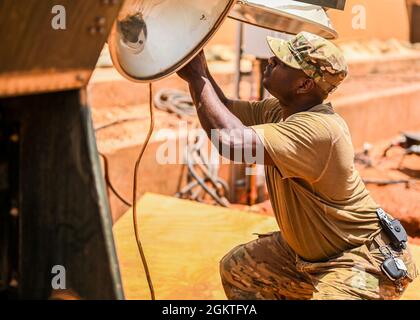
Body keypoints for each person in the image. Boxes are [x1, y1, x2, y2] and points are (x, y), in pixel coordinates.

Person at [177, 31, 418, 300]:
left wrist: (197, 76)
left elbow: (230, 140)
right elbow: (221, 109)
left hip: (360, 258)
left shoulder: (318, 130)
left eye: (281, 61)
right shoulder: (280, 111)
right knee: (239, 270)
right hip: (309, 254)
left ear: (303, 85)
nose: (270, 60)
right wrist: (197, 65)